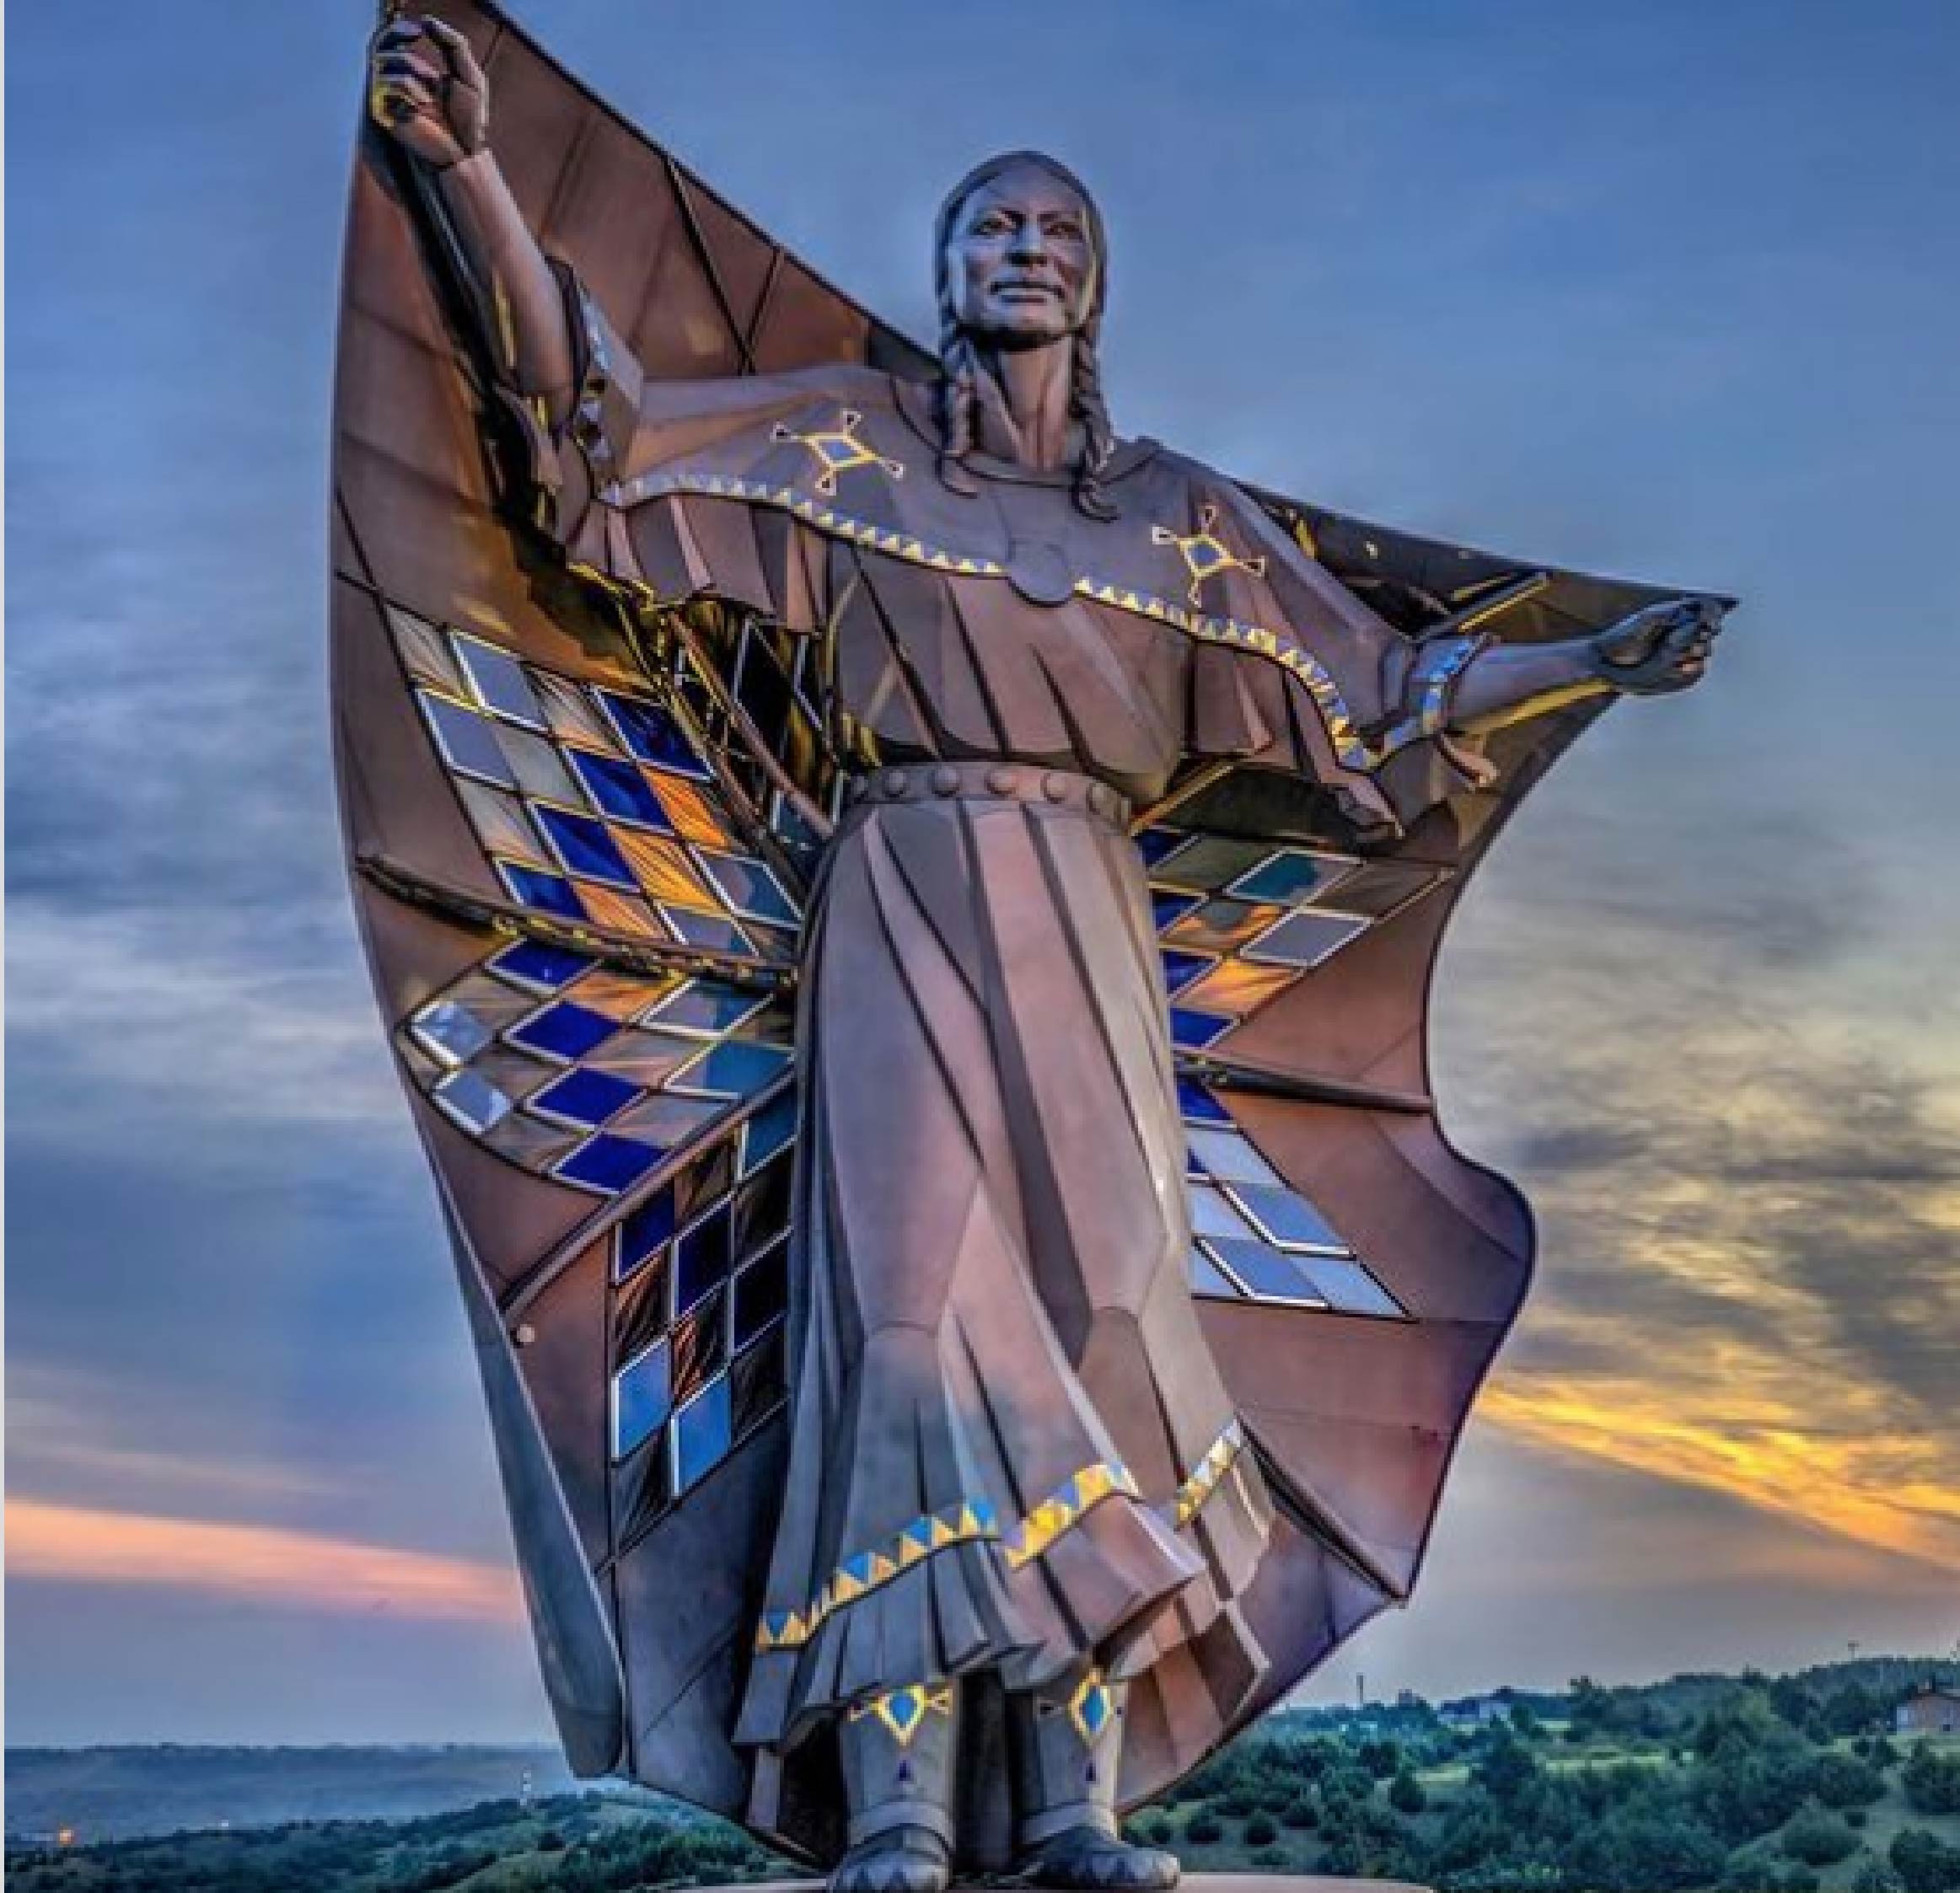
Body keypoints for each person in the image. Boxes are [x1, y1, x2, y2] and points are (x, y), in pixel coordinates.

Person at [369, 19, 1721, 1888]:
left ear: (1095, 290)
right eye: (990, 226)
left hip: (1090, 924)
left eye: (1056, 231)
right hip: (902, 893)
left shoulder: (1176, 530)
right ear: (942, 273)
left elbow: (1383, 693)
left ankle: (1069, 1800)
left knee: (1105, 1333)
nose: (1023, 248)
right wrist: (466, 175)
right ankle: (905, 1807)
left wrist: (1587, 659)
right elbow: (592, 445)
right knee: (912, 1334)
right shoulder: (838, 447)